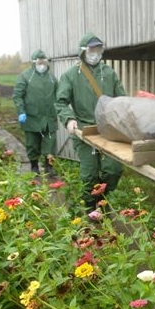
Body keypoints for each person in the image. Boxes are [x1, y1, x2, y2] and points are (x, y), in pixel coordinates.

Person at [56, 33, 127, 210]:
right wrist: (69, 119)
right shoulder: (71, 75)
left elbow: (121, 100)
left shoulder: (109, 73)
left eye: (98, 49)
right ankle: (90, 208)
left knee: (114, 169)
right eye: (91, 49)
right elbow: (61, 101)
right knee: (90, 173)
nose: (95, 53)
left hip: (108, 130)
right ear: (83, 51)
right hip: (84, 130)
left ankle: (102, 197)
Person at [12, 49, 59, 176]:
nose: (42, 64)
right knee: (32, 143)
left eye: (44, 62)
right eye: (39, 62)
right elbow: (17, 95)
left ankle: (49, 167)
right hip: (31, 117)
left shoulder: (51, 77)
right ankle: (34, 166)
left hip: (49, 117)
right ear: (34, 62)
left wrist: (60, 109)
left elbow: (59, 95)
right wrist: (21, 111)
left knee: (50, 143)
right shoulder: (25, 76)